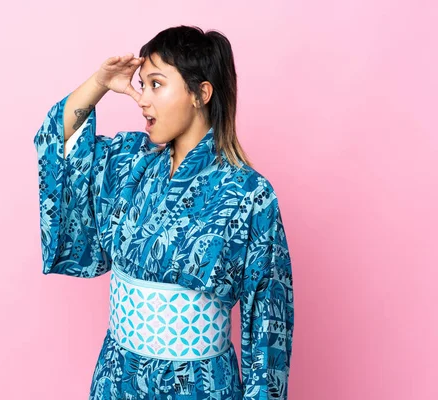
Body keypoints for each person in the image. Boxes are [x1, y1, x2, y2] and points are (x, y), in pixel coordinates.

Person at [34, 25, 294, 400]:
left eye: (156, 84)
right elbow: (57, 143)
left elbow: (269, 321)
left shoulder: (249, 194)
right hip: (118, 377)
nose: (142, 99)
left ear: (200, 94)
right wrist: (100, 83)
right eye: (142, 85)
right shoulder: (128, 161)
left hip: (200, 385)